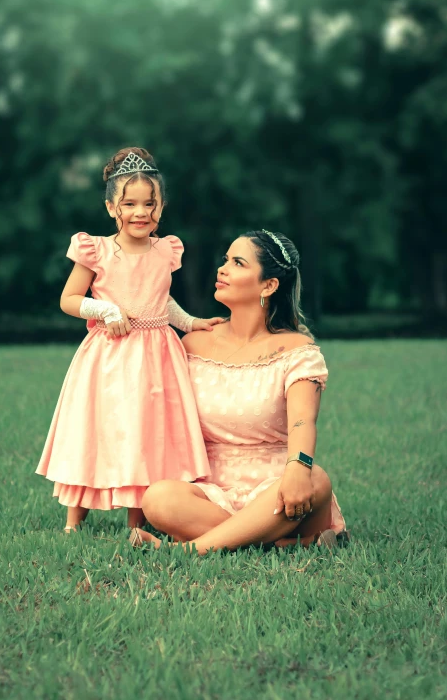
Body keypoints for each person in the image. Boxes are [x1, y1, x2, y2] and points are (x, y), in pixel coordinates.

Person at [36, 147, 222, 532]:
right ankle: (74, 520)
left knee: (147, 432)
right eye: (130, 203)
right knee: (98, 429)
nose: (141, 212)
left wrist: (188, 322)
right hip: (110, 356)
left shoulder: (165, 250)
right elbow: (69, 300)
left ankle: (138, 519)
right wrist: (107, 311)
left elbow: (161, 301)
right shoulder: (97, 250)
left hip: (157, 356)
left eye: (150, 203)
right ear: (111, 208)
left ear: (161, 207)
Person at [130, 229, 347, 553]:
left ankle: (189, 549)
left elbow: (303, 422)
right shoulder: (194, 343)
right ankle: (280, 543)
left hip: (279, 490)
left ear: (269, 285)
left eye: (238, 262)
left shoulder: (297, 349)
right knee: (158, 498)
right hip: (210, 490)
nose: (223, 268)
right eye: (225, 260)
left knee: (316, 479)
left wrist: (298, 470)